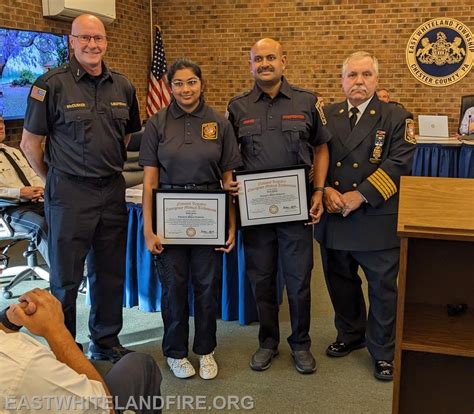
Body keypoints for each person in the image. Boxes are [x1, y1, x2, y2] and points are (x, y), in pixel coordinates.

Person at [20, 14, 141, 362]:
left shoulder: (122, 85)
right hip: (69, 194)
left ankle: (105, 341)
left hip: (111, 191)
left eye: (98, 38)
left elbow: (127, 136)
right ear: (71, 41)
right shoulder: (49, 85)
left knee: (109, 272)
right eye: (84, 38)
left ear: (106, 42)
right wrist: (53, 181)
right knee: (66, 280)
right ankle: (65, 348)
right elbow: (31, 144)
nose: (92, 45)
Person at [226, 38, 330, 375]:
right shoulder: (237, 107)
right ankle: (268, 341)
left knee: (299, 279)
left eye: (271, 57)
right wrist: (228, 180)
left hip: (295, 210)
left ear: (284, 61)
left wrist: (318, 190)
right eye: (258, 59)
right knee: (262, 279)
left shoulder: (307, 101)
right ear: (251, 63)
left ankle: (300, 343)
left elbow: (321, 148)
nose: (265, 63)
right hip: (254, 212)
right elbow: (228, 156)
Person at [314, 51, 416, 381]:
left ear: (376, 79)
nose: (359, 81)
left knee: (383, 289)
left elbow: (400, 163)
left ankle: (384, 351)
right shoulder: (326, 115)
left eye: (366, 75)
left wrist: (361, 195)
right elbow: (314, 155)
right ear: (342, 80)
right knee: (340, 283)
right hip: (335, 214)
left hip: (376, 217)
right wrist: (325, 189)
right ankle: (350, 334)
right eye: (352, 75)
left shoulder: (396, 116)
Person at [139, 59, 242, 380]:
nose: (186, 89)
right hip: (169, 215)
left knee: (207, 286)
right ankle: (175, 352)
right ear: (170, 88)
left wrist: (231, 225)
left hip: (209, 214)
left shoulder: (219, 123)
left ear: (201, 84)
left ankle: (206, 350)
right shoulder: (157, 123)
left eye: (191, 82)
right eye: (179, 83)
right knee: (173, 288)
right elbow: (149, 181)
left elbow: (228, 180)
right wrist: (148, 228)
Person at [0, 288, 162, 414]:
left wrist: (6, 321)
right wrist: (57, 331)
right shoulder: (24, 362)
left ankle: (102, 345)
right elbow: (102, 408)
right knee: (140, 363)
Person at [0, 115, 49, 266]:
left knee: (67, 216)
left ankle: (83, 269)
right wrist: (20, 193)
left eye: (1, 122)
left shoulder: (13, 151)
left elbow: (33, 175)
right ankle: (62, 279)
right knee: (40, 225)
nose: (1, 126)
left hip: (35, 202)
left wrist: (40, 189)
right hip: (9, 209)